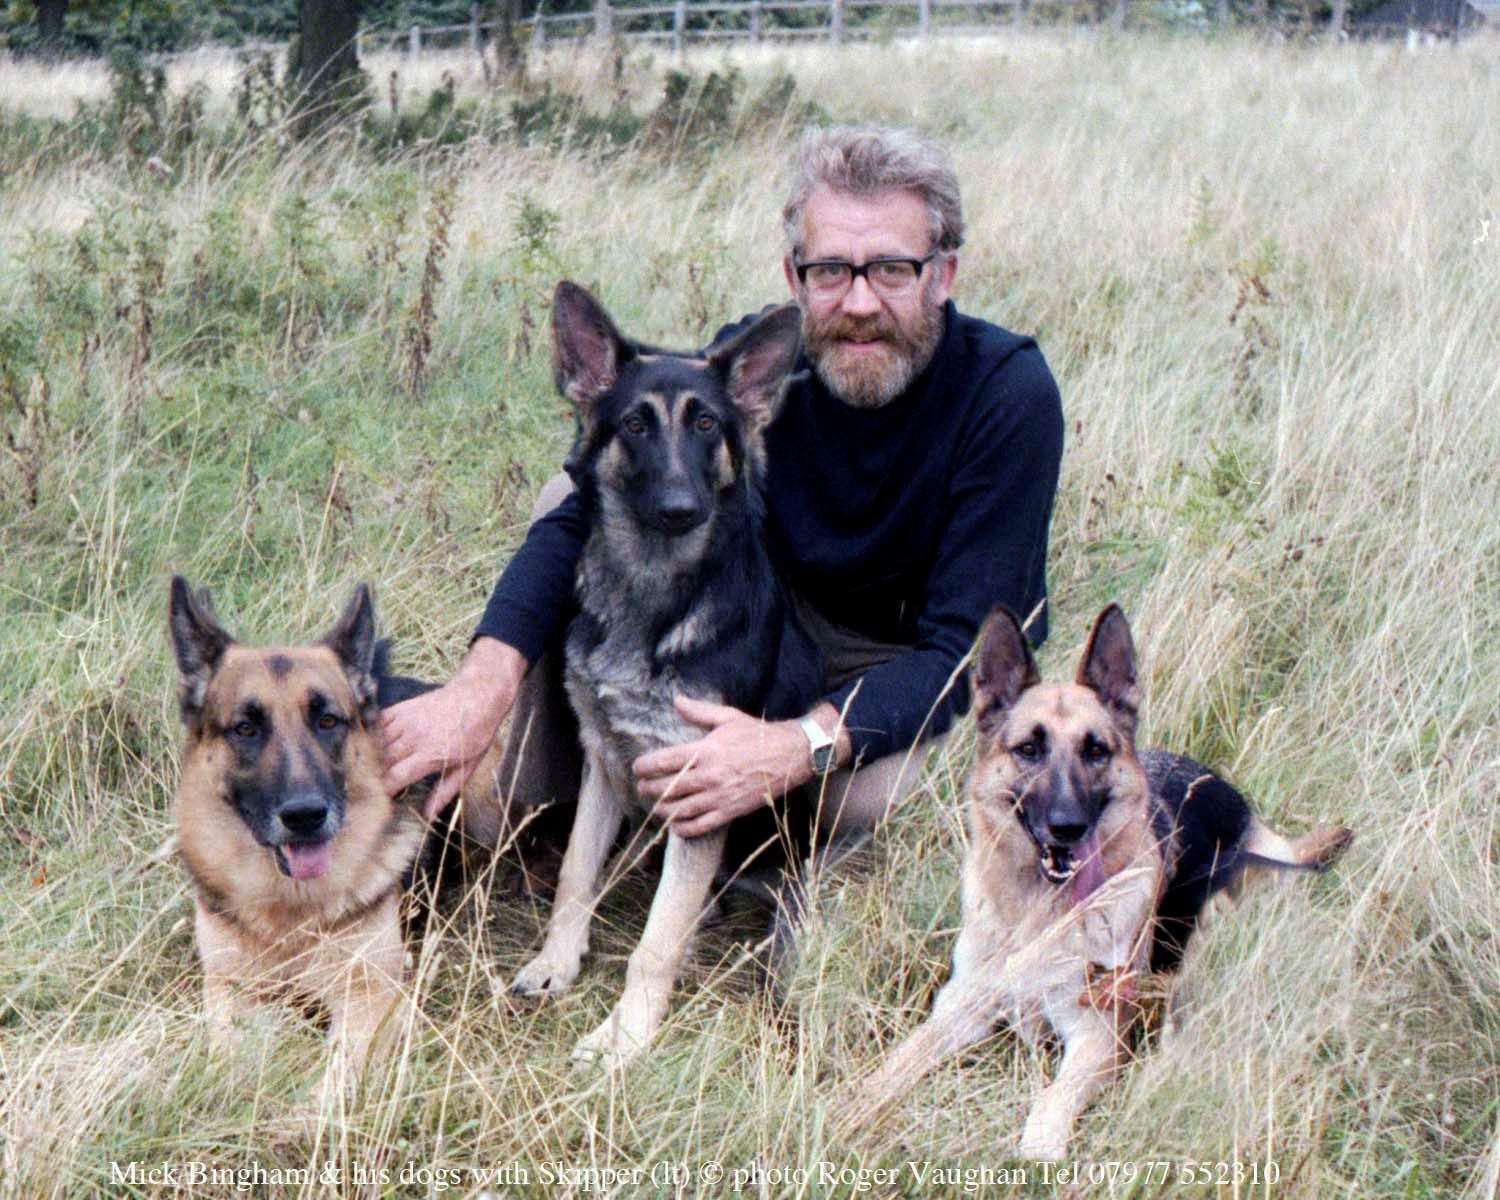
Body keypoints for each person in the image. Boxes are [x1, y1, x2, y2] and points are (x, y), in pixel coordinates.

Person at [381, 125, 1063, 844]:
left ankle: (780, 861)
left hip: (893, 655)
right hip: (745, 626)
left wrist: (798, 745)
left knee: (865, 802)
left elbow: (962, 648)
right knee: (500, 800)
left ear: (942, 275)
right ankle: (573, 796)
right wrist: (479, 685)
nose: (860, 303)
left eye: (892, 270)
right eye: (831, 271)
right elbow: (583, 506)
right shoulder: (752, 369)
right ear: (794, 276)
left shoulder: (1006, 393)